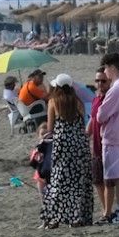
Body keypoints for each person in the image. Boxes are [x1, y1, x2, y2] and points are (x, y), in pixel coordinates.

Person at [38, 76, 93, 228]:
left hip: (63, 145)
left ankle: (54, 218)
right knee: (78, 183)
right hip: (79, 145)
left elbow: (50, 128)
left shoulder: (53, 102)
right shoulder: (78, 102)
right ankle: (77, 218)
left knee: (58, 181)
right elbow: (82, 123)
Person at [94, 56, 119, 223]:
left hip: (112, 137)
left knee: (115, 177)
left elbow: (101, 116)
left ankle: (118, 212)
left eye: (105, 68)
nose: (104, 72)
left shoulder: (116, 89)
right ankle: (114, 212)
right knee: (117, 176)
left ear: (111, 68)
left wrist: (99, 114)